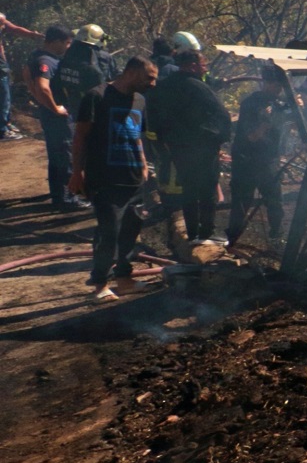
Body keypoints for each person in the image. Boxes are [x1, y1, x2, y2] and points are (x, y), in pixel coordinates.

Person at [70, 56, 158, 300]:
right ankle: (100, 284)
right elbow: (80, 136)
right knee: (109, 232)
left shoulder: (139, 100)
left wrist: (142, 166)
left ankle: (124, 279)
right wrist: (77, 172)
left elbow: (136, 136)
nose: (153, 84)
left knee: (130, 231)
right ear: (131, 71)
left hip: (133, 178)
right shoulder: (96, 96)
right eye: (149, 78)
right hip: (104, 177)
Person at [147, 39, 231, 246]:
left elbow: (154, 115)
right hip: (202, 148)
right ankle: (206, 233)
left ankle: (192, 233)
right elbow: (222, 115)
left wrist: (164, 141)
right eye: (203, 65)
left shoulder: (164, 86)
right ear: (193, 66)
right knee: (207, 190)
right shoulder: (198, 87)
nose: (205, 69)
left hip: (177, 148)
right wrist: (218, 140)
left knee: (188, 190)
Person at [226, 63, 289, 250]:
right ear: (265, 83)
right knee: (241, 202)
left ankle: (277, 237)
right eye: (275, 85)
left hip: (269, 160)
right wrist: (265, 123)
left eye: (280, 86)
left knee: (275, 202)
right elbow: (251, 136)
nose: (278, 90)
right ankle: (233, 239)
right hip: (247, 160)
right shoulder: (250, 104)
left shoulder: (279, 104)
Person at [26, 26, 81, 209]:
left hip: (49, 114)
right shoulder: (46, 60)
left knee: (56, 155)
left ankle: (59, 195)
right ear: (56, 42)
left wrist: (38, 99)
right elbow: (42, 86)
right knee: (65, 154)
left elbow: (26, 73)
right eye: (66, 42)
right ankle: (67, 199)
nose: (68, 46)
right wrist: (55, 108)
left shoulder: (36, 55)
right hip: (58, 118)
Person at [54, 23, 118, 117]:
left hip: (72, 107)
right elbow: (113, 77)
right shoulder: (104, 57)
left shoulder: (68, 55)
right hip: (97, 108)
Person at [0, 10, 40, 140]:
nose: (3, 26)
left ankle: (5, 123)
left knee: (5, 95)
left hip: (2, 66)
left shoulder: (2, 21)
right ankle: (3, 130)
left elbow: (14, 28)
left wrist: (32, 34)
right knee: (3, 96)